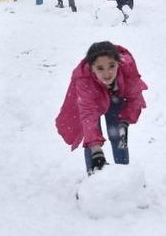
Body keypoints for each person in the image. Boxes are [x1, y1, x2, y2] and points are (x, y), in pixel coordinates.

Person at [55, 42, 147, 174]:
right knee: (91, 139)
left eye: (111, 66)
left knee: (118, 136)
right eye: (100, 68)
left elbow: (134, 96)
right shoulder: (83, 78)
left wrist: (125, 121)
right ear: (91, 68)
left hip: (116, 97)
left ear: (118, 63)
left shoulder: (127, 67)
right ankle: (94, 179)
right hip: (93, 102)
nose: (107, 73)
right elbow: (88, 115)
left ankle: (125, 176)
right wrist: (96, 150)